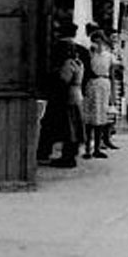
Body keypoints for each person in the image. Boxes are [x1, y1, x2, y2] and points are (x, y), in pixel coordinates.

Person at [36, 36, 86, 168]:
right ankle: (70, 155)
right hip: (77, 95)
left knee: (67, 128)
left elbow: (63, 80)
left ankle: (65, 157)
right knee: (74, 128)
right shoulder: (78, 62)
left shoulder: (67, 64)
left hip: (67, 97)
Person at [81, 31, 115, 159]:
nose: (97, 44)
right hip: (92, 84)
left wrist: (112, 95)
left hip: (104, 84)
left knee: (100, 117)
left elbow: (112, 75)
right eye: (95, 41)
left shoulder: (109, 56)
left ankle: (97, 147)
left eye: (99, 41)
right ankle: (87, 149)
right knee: (89, 118)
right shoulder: (90, 55)